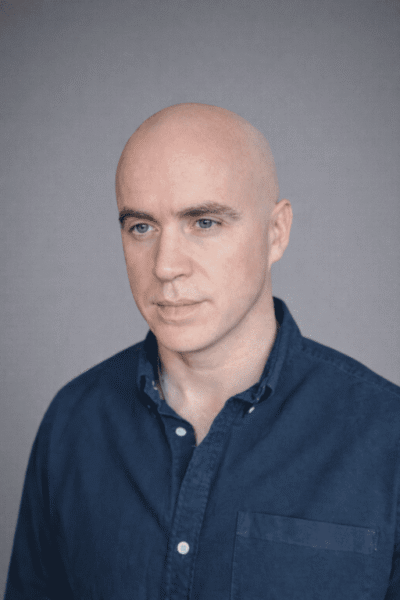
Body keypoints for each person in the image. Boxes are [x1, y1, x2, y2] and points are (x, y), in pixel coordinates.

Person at [4, 103, 400, 599]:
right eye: (141, 227)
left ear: (275, 232)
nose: (166, 265)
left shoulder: (387, 436)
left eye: (204, 222)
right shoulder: (73, 423)